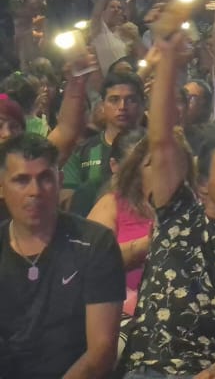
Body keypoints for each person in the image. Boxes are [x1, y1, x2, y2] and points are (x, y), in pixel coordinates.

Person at [120, 32, 215, 379]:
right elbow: (161, 139)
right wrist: (170, 64)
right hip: (149, 368)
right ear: (202, 184)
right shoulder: (178, 215)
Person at [0, 133, 124, 379]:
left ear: (60, 181)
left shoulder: (95, 243)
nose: (35, 191)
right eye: (21, 180)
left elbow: (101, 353)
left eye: (45, 178)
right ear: (1, 188)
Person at [85, 128, 156, 317]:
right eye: (135, 165)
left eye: (150, 163)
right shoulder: (111, 204)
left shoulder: (184, 204)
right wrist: (143, 247)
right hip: (120, 313)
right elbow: (90, 263)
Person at [62, 69, 145, 214]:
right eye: (114, 100)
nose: (122, 107)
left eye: (131, 100)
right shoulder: (82, 152)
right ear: (101, 106)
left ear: (143, 105)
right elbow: (67, 205)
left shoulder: (156, 148)